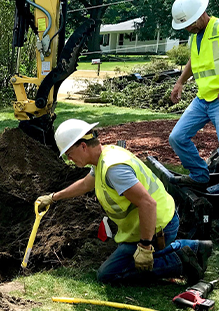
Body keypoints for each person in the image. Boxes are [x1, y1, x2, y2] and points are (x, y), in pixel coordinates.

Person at [37, 119, 213, 285]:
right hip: (153, 222)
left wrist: (144, 246)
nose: (69, 159)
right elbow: (85, 184)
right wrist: (53, 197)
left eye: (69, 154)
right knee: (119, 264)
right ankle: (195, 247)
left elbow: (147, 204)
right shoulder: (103, 158)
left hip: (157, 227)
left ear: (83, 146)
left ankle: (181, 260)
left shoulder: (114, 169)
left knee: (108, 274)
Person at [169, 0, 218, 186]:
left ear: (201, 14)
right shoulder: (194, 37)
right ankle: (199, 175)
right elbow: (194, 61)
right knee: (177, 137)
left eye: (189, 23)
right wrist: (180, 82)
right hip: (202, 99)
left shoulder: (218, 28)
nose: (188, 28)